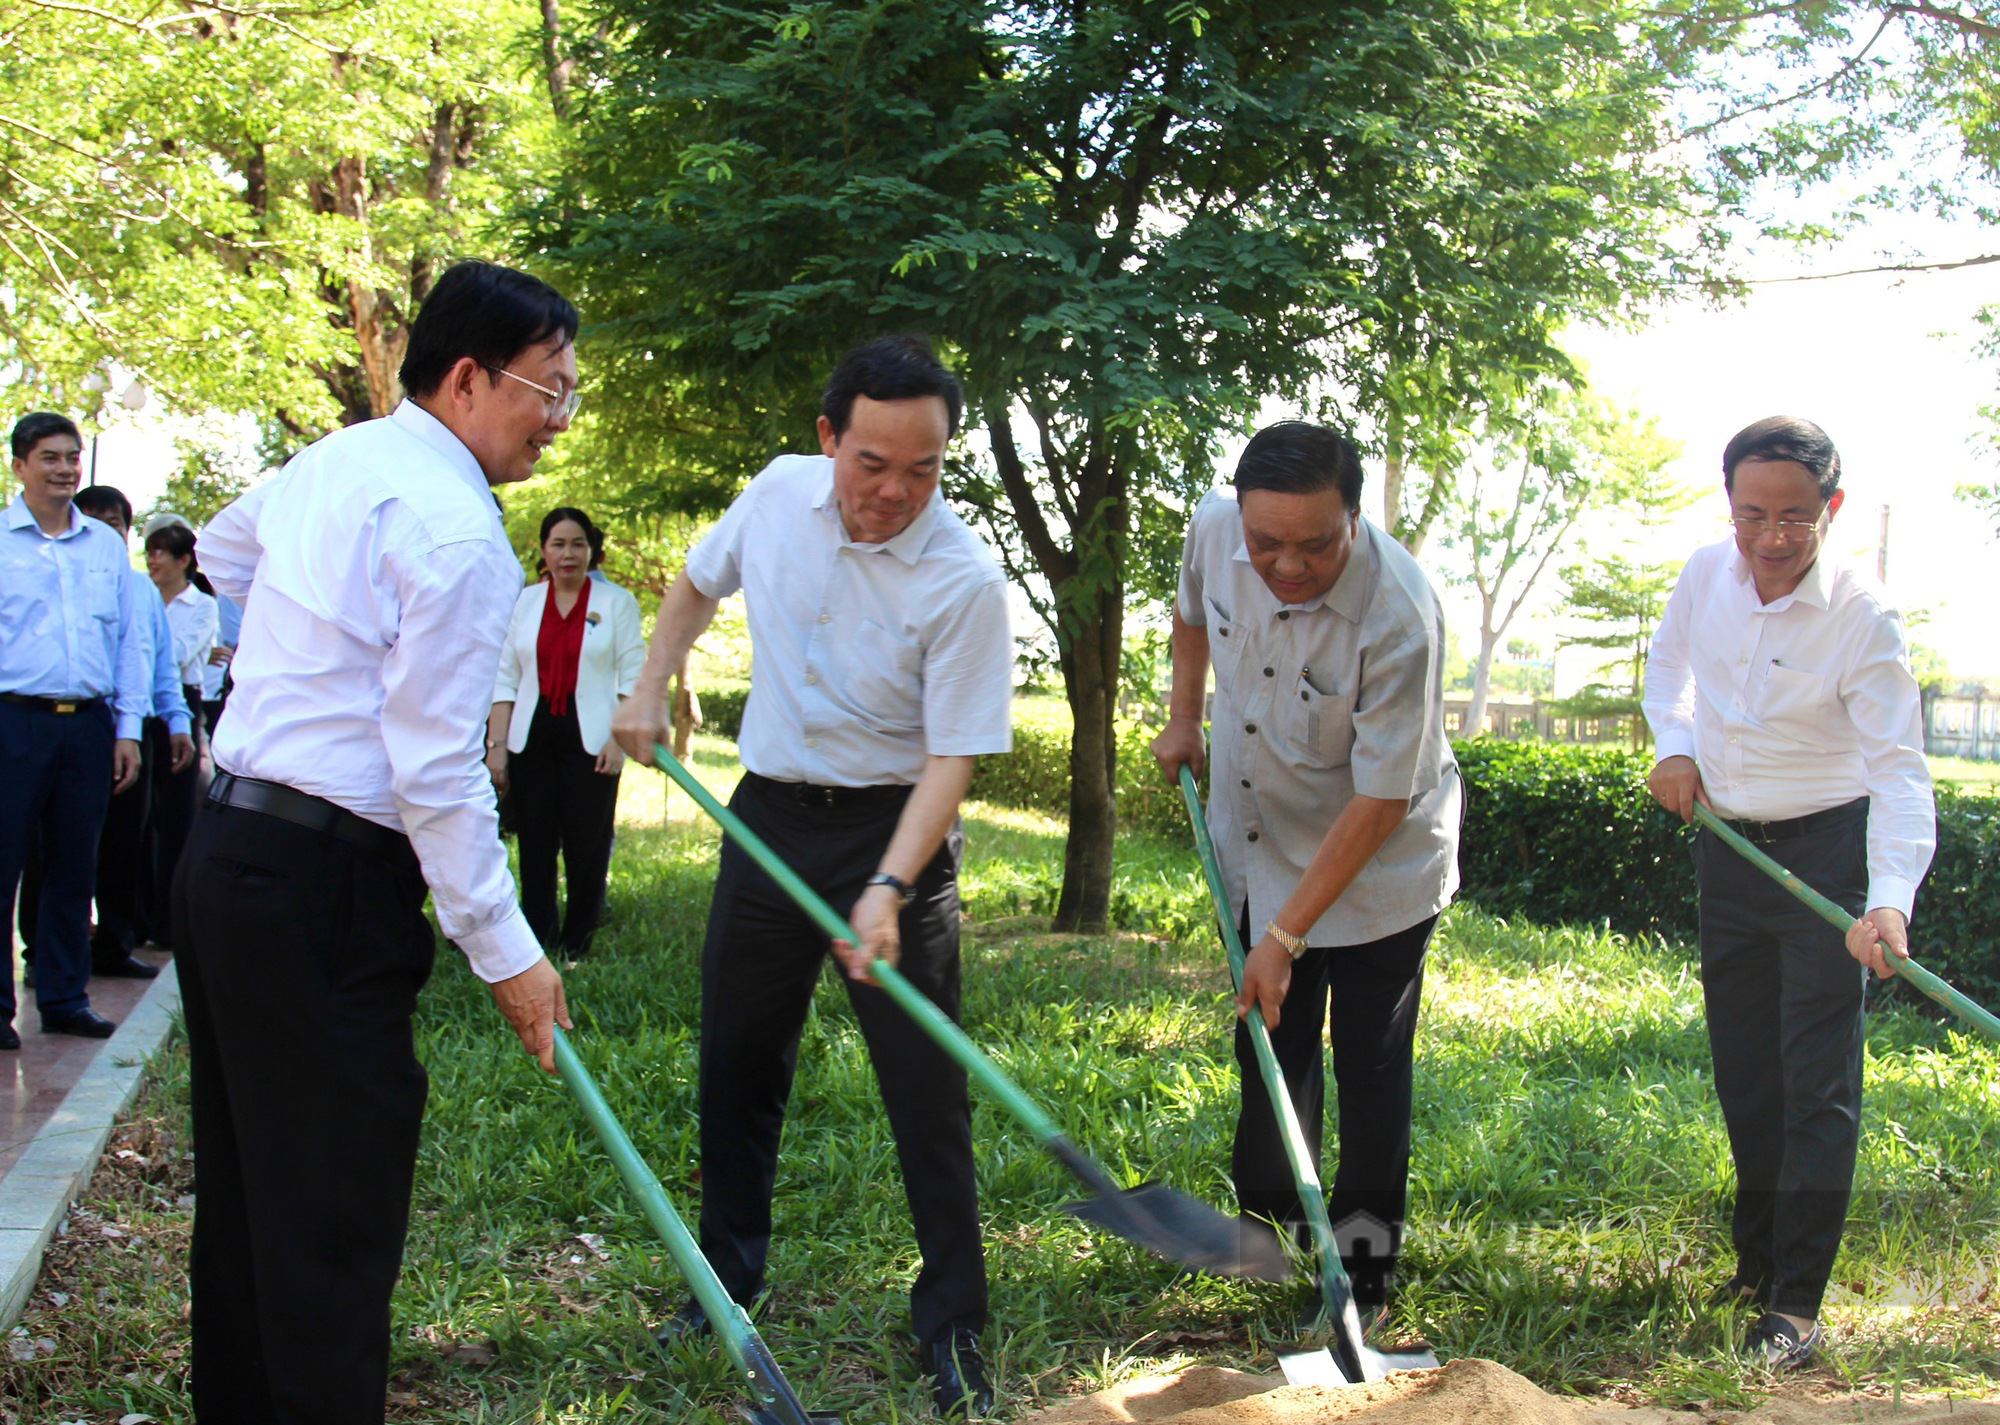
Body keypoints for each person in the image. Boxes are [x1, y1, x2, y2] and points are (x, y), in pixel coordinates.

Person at [172, 259, 574, 1423]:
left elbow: (228, 552)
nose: (558, 420)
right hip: (321, 887)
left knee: (254, 1195)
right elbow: (439, 771)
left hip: (227, 861)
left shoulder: (333, 461)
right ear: (467, 378)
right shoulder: (455, 534)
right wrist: (506, 954)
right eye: (548, 390)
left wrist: (310, 655)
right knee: (332, 1217)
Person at [612, 334, 1013, 1418]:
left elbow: (953, 760)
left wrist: (885, 890)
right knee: (738, 1062)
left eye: (923, 468)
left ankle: (953, 1324)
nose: (895, 491)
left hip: (897, 837)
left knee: (922, 1086)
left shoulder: (964, 579)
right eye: (871, 462)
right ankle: (725, 1286)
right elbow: (697, 583)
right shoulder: (779, 494)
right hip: (770, 822)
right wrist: (654, 681)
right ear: (828, 436)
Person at [1150, 420, 1460, 1320]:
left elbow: (1379, 798)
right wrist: (1183, 715)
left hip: (1379, 864)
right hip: (1255, 841)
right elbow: (1189, 612)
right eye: (1266, 542)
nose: (1286, 563)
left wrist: (1288, 933)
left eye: (1314, 544)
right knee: (1270, 1053)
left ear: (1355, 520)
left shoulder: (1400, 616)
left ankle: (1364, 1272)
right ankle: (1276, 1240)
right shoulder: (1216, 529)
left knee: (1369, 1064)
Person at [1644, 416, 1935, 1371]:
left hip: (1826, 863)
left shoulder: (1863, 614)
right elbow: (1668, 668)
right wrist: (1675, 745)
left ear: (1831, 509)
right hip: (1727, 853)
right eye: (1752, 515)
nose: (1771, 538)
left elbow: (1899, 770)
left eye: (1796, 519)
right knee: (1747, 1072)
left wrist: (1887, 898)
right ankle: (1757, 1264)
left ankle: (1796, 1304)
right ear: (1729, 505)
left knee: (1817, 1084)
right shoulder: (1703, 575)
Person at [1, 413, 149, 1049]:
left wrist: (128, 730)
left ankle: (64, 997)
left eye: (72, 458)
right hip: (12, 722)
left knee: (72, 869)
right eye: (50, 458)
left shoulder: (105, 548)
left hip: (87, 725)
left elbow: (128, 643)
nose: (65, 469)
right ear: (20, 466)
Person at [487, 506, 645, 960]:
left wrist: (619, 741)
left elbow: (631, 676)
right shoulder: (526, 602)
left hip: (593, 741)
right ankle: (537, 940)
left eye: (577, 543)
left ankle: (577, 944)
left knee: (586, 844)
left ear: (591, 550)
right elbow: (506, 677)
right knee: (535, 843)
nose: (568, 553)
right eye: (558, 544)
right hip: (531, 737)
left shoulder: (617, 604)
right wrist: (497, 748)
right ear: (543, 550)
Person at [77, 485, 192, 976]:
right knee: (61, 847)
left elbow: (158, 661)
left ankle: (114, 944)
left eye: (117, 524)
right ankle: (44, 953)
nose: (107, 531)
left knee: (127, 841)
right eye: (96, 520)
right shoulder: (70, 581)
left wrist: (178, 720)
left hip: (135, 728)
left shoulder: (142, 589)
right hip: (78, 721)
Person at [140, 521, 217, 949]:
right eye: (149, 551)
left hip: (180, 705)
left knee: (175, 819)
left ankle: (168, 923)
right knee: (136, 823)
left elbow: (179, 655)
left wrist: (144, 646)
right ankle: (135, 916)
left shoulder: (201, 606)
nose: (152, 560)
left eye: (160, 552)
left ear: (184, 560)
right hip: (139, 706)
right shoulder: (143, 598)